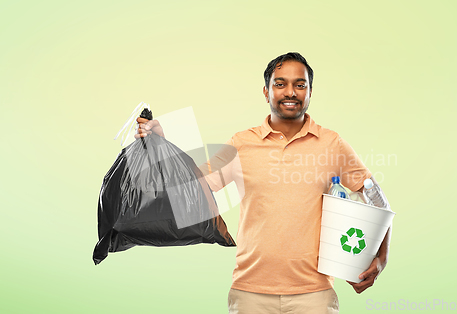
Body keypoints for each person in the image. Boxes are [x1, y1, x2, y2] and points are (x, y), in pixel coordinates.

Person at [135, 52, 392, 314]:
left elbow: (377, 200)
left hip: (314, 295)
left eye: (299, 85)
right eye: (280, 84)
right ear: (266, 92)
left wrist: (381, 259)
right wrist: (162, 145)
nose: (290, 92)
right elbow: (193, 187)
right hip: (249, 294)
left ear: (310, 92)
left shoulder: (331, 144)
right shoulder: (241, 143)